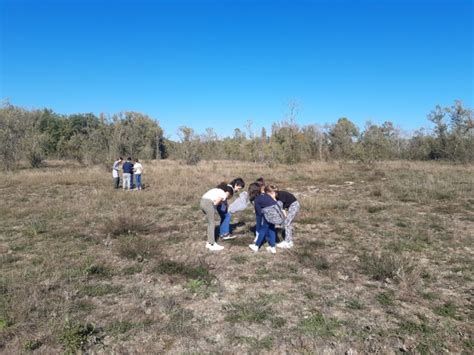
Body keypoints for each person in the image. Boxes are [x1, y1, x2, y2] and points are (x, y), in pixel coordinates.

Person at [249, 184, 285, 254]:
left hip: (269, 214)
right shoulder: (266, 195)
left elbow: (259, 213)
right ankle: (272, 247)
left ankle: (256, 246)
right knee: (272, 228)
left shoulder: (256, 199)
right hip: (276, 214)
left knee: (263, 229)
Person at [200, 185, 234, 251]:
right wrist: (214, 208)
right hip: (208, 203)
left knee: (210, 223)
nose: (227, 198)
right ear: (228, 192)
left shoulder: (217, 190)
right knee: (212, 223)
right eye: (229, 196)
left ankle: (209, 243)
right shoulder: (223, 194)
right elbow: (215, 203)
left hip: (202, 202)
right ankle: (212, 244)